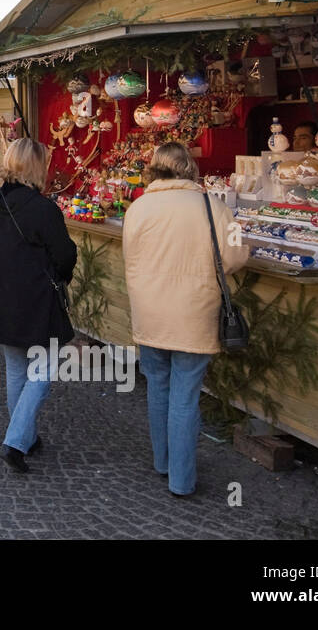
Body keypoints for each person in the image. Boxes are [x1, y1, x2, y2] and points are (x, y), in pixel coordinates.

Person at [122, 142, 247, 498]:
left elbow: (130, 255)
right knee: (185, 396)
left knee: (158, 387)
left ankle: (162, 462)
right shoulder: (214, 207)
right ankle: (181, 479)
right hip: (194, 312)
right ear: (189, 168)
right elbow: (235, 255)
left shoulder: (139, 208)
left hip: (150, 311)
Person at [0, 138, 77, 473]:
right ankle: (16, 440)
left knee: (17, 369)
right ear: (38, 166)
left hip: (3, 298)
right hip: (36, 300)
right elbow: (64, 254)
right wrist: (61, 275)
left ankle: (25, 436)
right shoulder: (42, 208)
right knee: (43, 371)